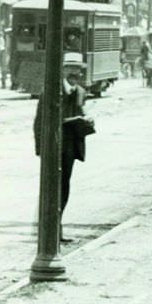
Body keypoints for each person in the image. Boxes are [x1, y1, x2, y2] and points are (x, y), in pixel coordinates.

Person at [33, 52, 92, 235]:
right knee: (51, 189)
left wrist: (87, 122)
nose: (75, 73)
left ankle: (56, 230)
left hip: (71, 149)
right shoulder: (50, 91)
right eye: (71, 68)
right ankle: (48, 233)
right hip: (53, 147)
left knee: (64, 188)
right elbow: (39, 122)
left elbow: (80, 114)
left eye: (78, 69)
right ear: (63, 70)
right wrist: (41, 149)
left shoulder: (80, 92)